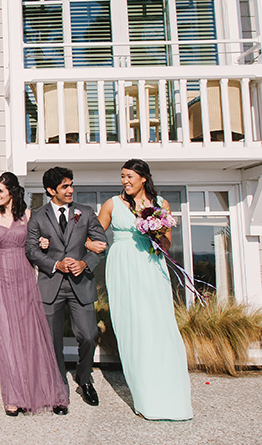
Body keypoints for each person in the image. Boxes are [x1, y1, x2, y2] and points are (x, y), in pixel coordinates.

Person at [96, 159, 192, 420]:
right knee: (133, 327)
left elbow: (167, 244)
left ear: (143, 178)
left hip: (152, 265)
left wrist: (156, 230)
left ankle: (172, 397)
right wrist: (90, 247)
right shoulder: (112, 205)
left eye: (129, 176)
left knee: (160, 326)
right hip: (123, 266)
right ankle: (145, 398)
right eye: (122, 177)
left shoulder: (161, 205)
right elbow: (91, 233)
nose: (124, 181)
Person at [0, 172, 69, 416]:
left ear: (11, 191)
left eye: (0, 190)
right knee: (5, 335)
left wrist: (43, 243)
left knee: (31, 332)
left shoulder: (29, 216)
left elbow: (39, 243)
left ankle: (46, 391)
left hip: (23, 274)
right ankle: (13, 396)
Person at [25, 166, 107, 407]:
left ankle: (84, 379)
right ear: (51, 190)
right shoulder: (37, 216)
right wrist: (55, 264)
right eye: (65, 186)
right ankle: (59, 390)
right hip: (50, 286)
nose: (71, 190)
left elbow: (102, 243)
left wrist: (84, 263)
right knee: (52, 343)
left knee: (89, 336)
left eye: (71, 185)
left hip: (81, 285)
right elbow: (30, 250)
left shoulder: (86, 212)